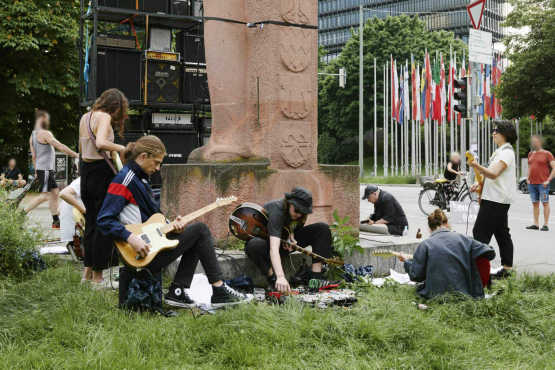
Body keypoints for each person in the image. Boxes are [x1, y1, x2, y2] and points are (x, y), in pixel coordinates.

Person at [98, 136, 251, 306]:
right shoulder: (124, 179)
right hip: (141, 254)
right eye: (156, 162)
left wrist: (172, 226)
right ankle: (219, 290)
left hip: (151, 248)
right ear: (143, 156)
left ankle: (177, 292)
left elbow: (150, 221)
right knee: (201, 230)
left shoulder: (140, 179)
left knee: (195, 235)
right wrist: (131, 238)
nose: (158, 168)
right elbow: (104, 220)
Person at [78, 89, 128, 289]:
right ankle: (99, 278)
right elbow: (100, 142)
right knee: (104, 222)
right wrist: (122, 148)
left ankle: (87, 273)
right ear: (116, 105)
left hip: (86, 170)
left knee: (90, 222)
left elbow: (82, 150)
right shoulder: (105, 116)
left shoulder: (85, 116)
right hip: (101, 172)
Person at [244, 187, 333, 293]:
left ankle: (316, 279)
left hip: (283, 242)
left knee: (322, 228)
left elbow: (290, 225)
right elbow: (273, 248)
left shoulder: (297, 214)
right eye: (297, 211)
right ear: (290, 203)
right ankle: (273, 281)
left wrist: (290, 236)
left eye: (303, 212)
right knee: (256, 244)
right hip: (266, 246)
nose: (299, 215)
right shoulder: (276, 211)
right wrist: (281, 276)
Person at [398, 209, 496, 299]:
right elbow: (490, 253)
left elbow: (416, 275)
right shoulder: (465, 239)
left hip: (435, 296)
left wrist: (407, 262)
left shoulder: (425, 245)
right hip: (465, 294)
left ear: (430, 229)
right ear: (447, 224)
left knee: (420, 286)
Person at [468, 120, 518, 279]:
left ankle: (480, 273)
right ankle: (507, 269)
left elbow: (494, 173)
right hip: (497, 199)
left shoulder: (507, 152)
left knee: (480, 234)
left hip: (496, 200)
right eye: (494, 130)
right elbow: (490, 175)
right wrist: (478, 182)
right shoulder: (500, 152)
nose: (494, 133)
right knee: (502, 233)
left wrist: (476, 165)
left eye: (498, 130)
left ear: (507, 134)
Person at [24, 111, 79, 228]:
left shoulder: (32, 135)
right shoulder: (45, 134)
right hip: (45, 169)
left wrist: (35, 171)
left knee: (55, 193)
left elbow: (34, 156)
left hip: (42, 168)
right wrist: (76, 155)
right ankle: (21, 214)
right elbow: (60, 146)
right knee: (45, 195)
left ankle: (56, 221)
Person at [526, 134, 555, 231]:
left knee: (545, 203)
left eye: (536, 141)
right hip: (532, 184)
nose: (534, 143)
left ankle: (545, 225)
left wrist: (548, 180)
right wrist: (527, 178)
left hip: (543, 184)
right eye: (533, 142)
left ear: (540, 143)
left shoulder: (547, 154)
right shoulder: (530, 154)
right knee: (535, 204)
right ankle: (536, 224)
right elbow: (530, 167)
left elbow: (554, 168)